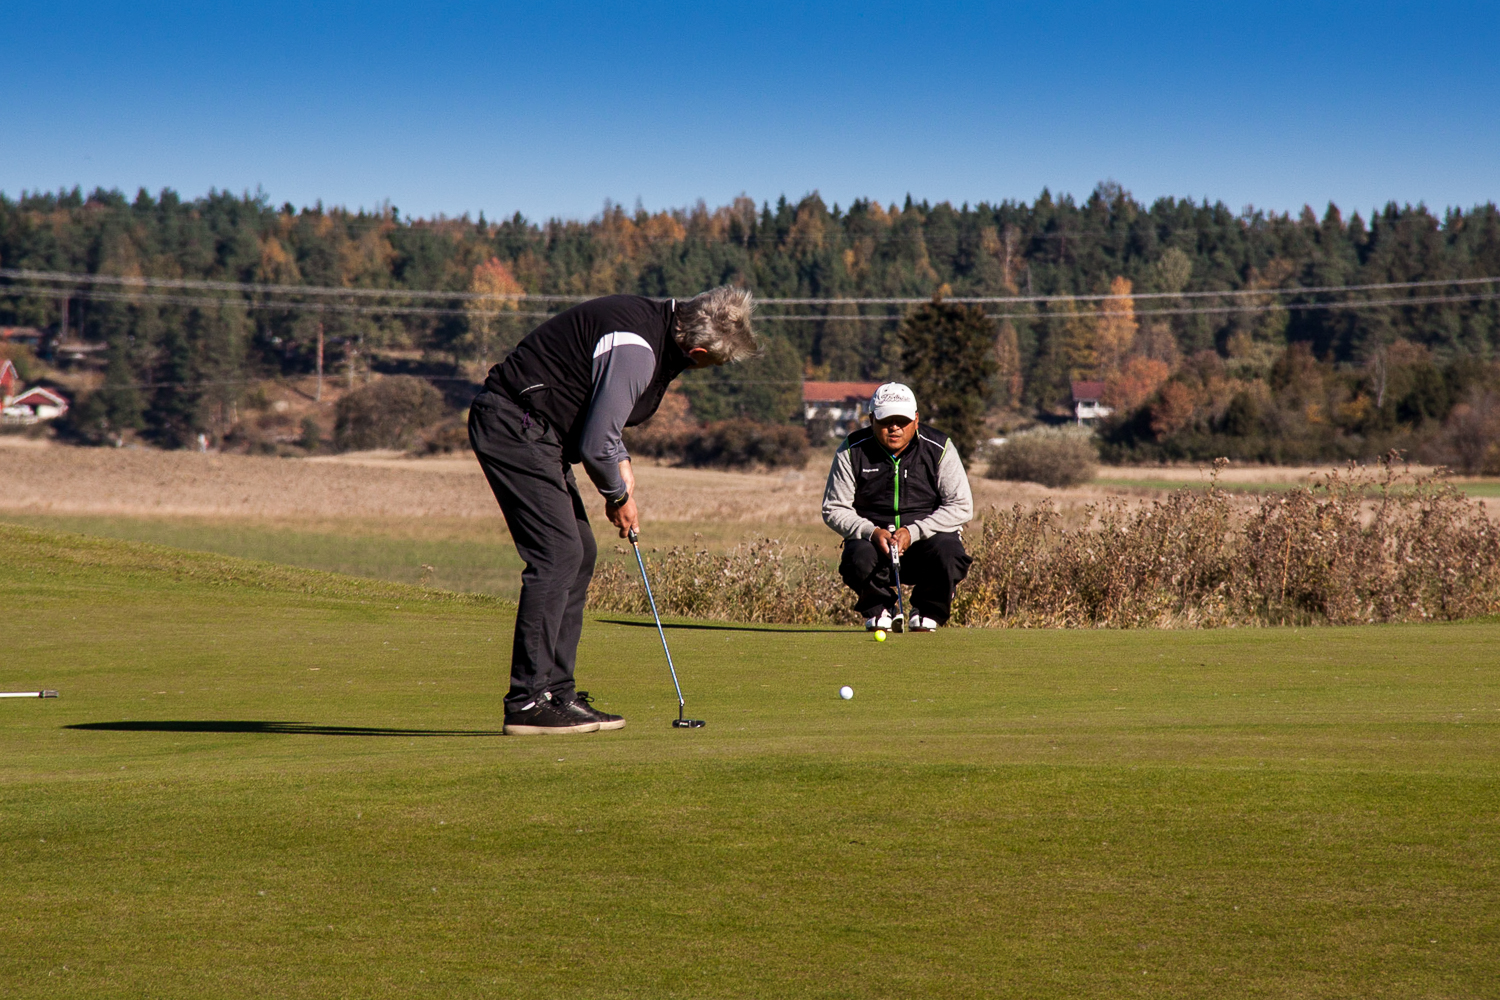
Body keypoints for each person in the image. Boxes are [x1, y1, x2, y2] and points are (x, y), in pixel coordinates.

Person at [469, 288, 757, 734]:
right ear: (697, 351)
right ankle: (527, 702)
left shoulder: (657, 323)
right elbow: (593, 442)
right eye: (711, 364)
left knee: (578, 551)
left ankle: (556, 694)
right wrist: (618, 497)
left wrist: (619, 458)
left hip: (536, 429)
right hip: (515, 423)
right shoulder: (637, 351)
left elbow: (597, 408)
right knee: (557, 554)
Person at [821, 382, 973, 632]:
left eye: (901, 420)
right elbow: (833, 508)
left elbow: (961, 506)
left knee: (950, 553)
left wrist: (913, 532)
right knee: (856, 557)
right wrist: (871, 531)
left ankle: (927, 610)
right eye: (885, 420)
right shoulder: (851, 450)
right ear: (871, 419)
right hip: (873, 543)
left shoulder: (939, 447)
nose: (894, 427)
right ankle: (879, 608)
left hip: (926, 542)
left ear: (915, 419)